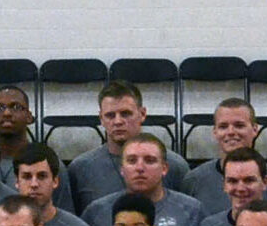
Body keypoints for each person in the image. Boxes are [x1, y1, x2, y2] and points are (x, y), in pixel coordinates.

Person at [79, 133, 205, 226]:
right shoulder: (96, 213)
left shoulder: (192, 211)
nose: (140, 168)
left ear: (164, 168)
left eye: (149, 161)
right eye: (132, 161)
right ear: (122, 169)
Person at [63, 82, 191, 215]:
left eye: (125, 114)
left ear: (142, 114)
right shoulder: (81, 168)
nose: (118, 121)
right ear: (101, 118)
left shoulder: (175, 166)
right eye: (110, 115)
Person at [185, 99, 267, 215]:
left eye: (239, 125)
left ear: (255, 129)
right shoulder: (193, 181)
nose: (230, 132)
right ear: (215, 132)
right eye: (223, 126)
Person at [10, 144, 99, 226]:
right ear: (17, 182)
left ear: (55, 181)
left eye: (42, 176)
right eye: (27, 177)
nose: (34, 184)